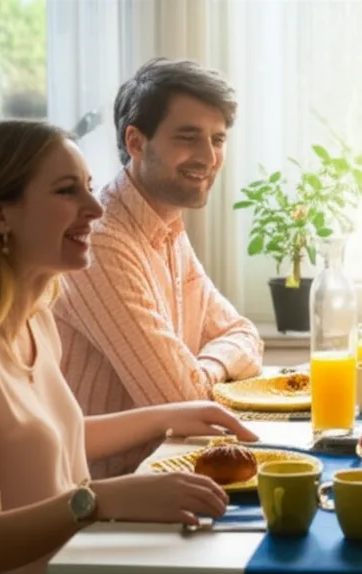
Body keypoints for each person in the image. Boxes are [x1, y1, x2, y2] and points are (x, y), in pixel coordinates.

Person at [0, 120, 259, 574]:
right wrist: (102, 499)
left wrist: (170, 415)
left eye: (89, 187)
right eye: (67, 191)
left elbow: (48, 440)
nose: (94, 207)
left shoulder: (35, 322)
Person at [54, 57, 264, 478]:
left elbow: (244, 334)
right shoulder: (101, 240)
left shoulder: (165, 224)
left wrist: (207, 367)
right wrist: (203, 376)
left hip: (162, 472)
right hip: (97, 497)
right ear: (135, 141)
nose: (208, 157)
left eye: (218, 140)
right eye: (188, 137)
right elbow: (182, 398)